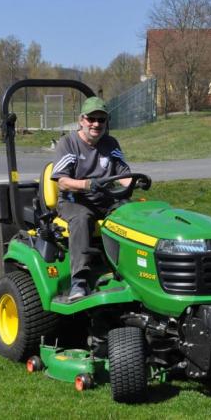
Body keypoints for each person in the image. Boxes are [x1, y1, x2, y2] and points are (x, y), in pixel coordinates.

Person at [50, 97, 131, 301]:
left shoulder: (110, 143)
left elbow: (123, 174)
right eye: (91, 119)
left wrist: (133, 183)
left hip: (104, 200)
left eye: (101, 120)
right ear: (81, 120)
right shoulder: (68, 143)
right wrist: (87, 184)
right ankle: (79, 281)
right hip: (73, 200)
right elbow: (62, 181)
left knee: (130, 215)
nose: (96, 124)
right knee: (82, 218)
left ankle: (129, 272)